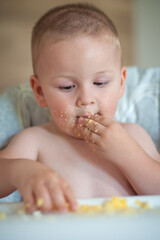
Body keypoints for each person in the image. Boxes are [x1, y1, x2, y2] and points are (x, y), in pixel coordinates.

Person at [0, 3, 159, 214]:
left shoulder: (134, 136)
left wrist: (129, 155)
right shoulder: (36, 141)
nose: (85, 100)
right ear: (39, 92)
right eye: (67, 87)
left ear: (121, 83)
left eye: (100, 83)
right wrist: (21, 172)